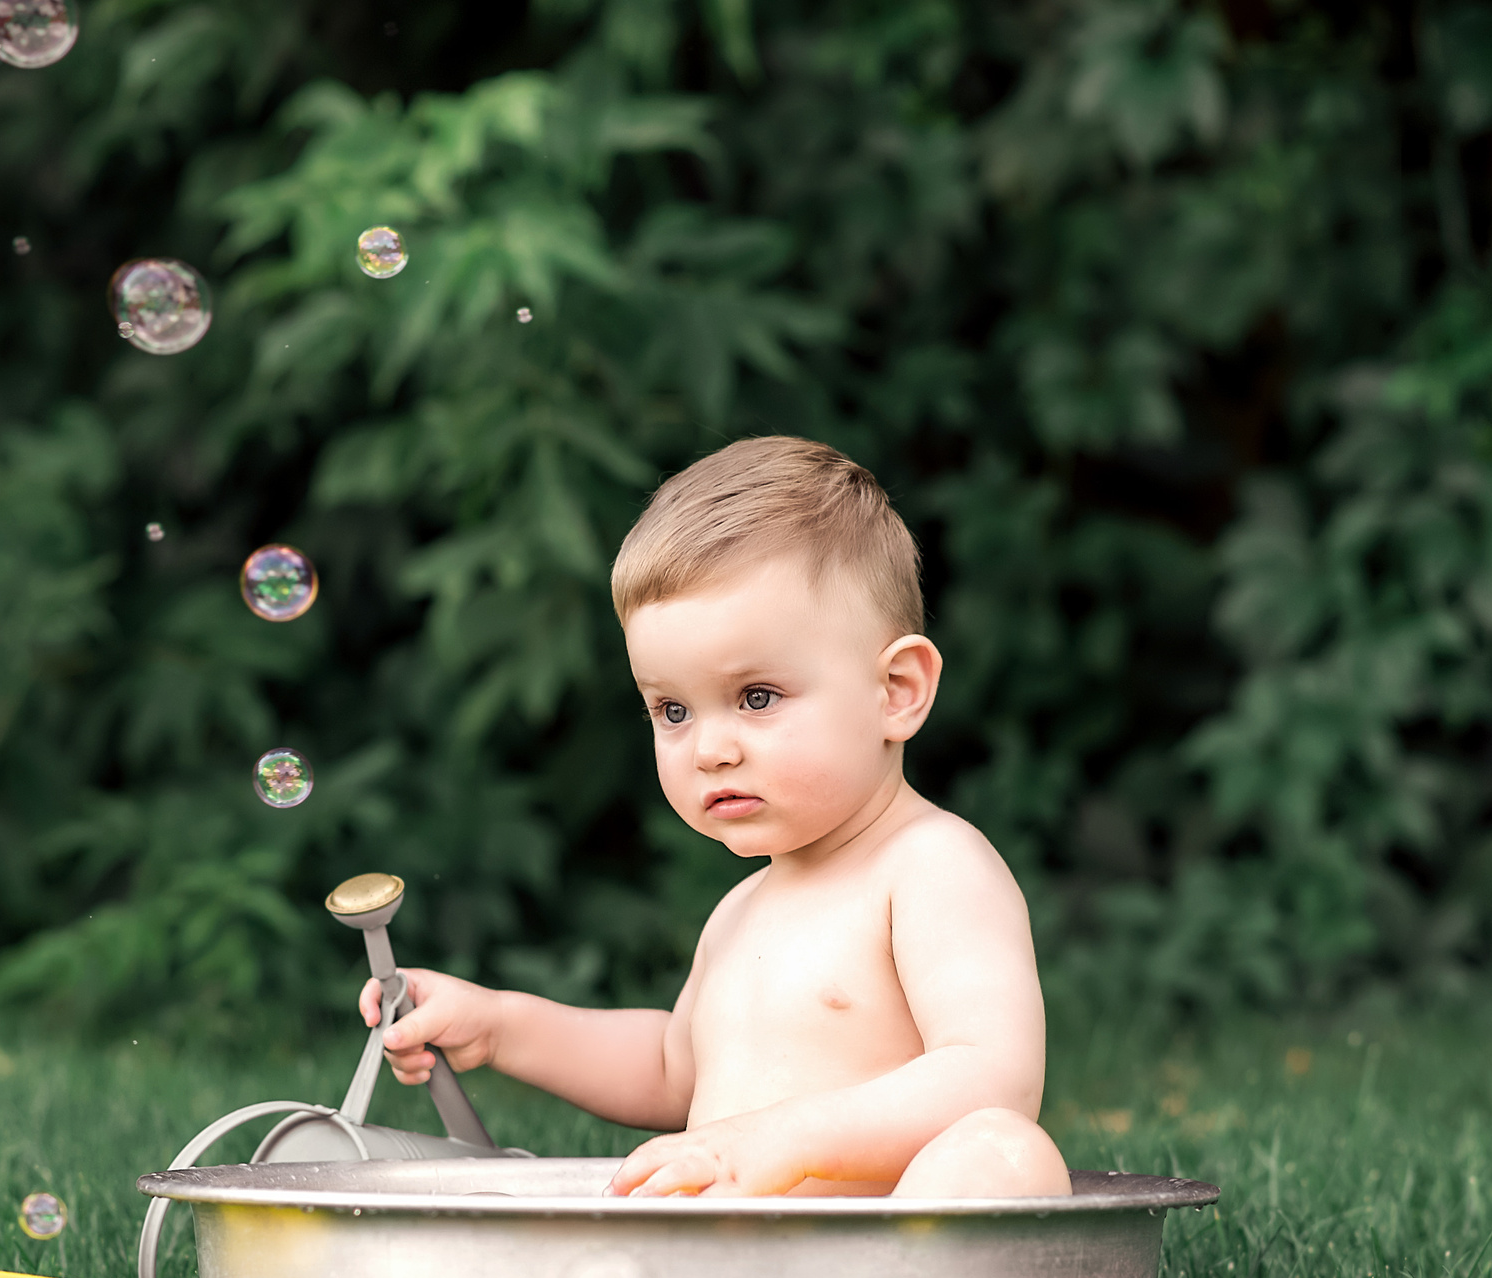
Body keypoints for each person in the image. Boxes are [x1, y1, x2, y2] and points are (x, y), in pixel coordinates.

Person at [358, 435, 1070, 1199]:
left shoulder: (931, 867)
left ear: (896, 690)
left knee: (1000, 1152)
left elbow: (990, 1073)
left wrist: (787, 1138)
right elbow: (671, 1070)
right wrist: (502, 1025)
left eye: (757, 697)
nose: (710, 749)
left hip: (885, 1267)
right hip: (740, 1277)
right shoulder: (741, 911)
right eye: (672, 710)